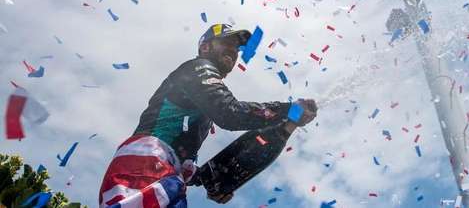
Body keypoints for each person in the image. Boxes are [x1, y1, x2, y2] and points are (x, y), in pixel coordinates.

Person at [98, 24, 316, 207]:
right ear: (204, 47)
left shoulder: (199, 100)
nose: (234, 50)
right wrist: (288, 109)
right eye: (227, 44)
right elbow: (230, 113)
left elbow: (186, 152)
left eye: (237, 48)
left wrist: (217, 180)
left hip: (164, 172)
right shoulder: (198, 68)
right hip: (145, 164)